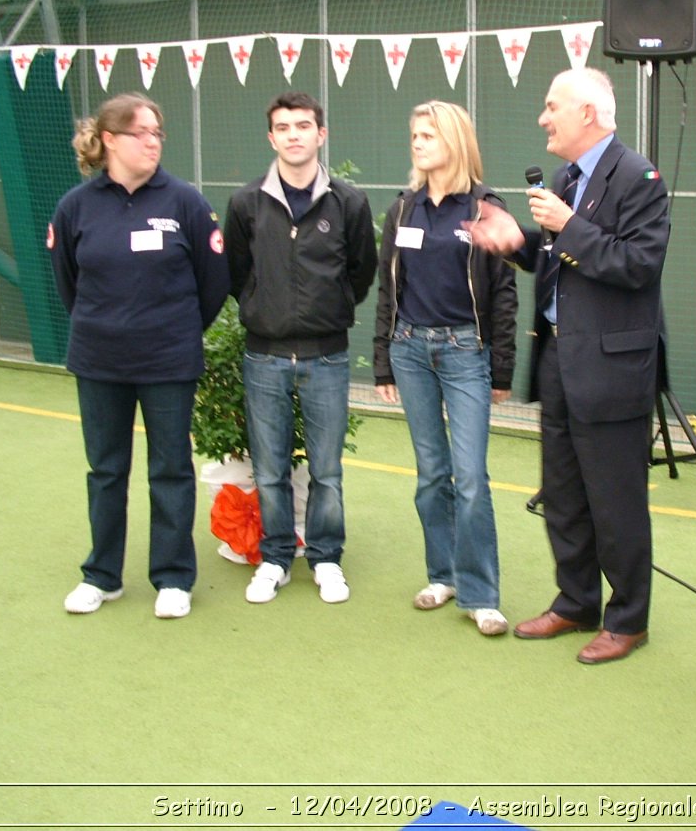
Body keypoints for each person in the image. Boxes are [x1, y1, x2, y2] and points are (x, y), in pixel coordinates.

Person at [467, 67, 670, 664]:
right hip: (558, 356)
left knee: (616, 499)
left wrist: (566, 226)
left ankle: (628, 618)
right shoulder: (565, 178)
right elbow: (566, 259)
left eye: (552, 106)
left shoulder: (639, 178)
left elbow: (639, 265)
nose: (542, 117)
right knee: (563, 493)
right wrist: (520, 243)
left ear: (588, 112)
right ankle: (576, 600)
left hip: (612, 368)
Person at [50, 93, 229, 620]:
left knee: (170, 469)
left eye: (158, 132)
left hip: (168, 362)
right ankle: (101, 576)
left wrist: (173, 331)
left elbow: (213, 283)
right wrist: (105, 325)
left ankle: (173, 578)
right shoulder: (75, 206)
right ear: (110, 140)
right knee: (106, 469)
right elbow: (68, 283)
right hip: (98, 360)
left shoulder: (185, 202)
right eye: (141, 132)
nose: (153, 141)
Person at [223, 92, 377, 605]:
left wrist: (327, 310)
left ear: (321, 134)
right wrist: (263, 307)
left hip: (326, 356)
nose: (294, 134)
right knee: (269, 470)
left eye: (303, 125)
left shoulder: (349, 202)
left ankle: (327, 558)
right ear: (271, 137)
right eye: (283, 127)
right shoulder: (245, 204)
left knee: (327, 469)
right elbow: (237, 274)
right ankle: (274, 557)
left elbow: (361, 273)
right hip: (263, 356)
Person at [373, 101, 518, 636]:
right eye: (414, 134)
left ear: (455, 141)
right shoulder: (403, 209)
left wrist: (501, 369)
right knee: (432, 475)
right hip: (409, 350)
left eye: (428, 134)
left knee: (471, 478)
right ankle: (444, 575)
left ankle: (482, 595)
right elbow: (388, 288)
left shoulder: (485, 207)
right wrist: (384, 360)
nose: (417, 142)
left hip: (465, 354)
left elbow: (504, 293)